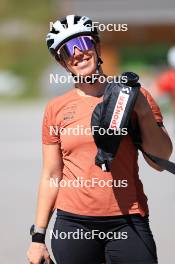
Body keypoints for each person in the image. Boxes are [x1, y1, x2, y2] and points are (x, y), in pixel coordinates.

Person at [27, 15, 173, 264]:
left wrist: (142, 110)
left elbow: (160, 161)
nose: (79, 53)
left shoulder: (135, 95)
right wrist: (38, 238)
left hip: (127, 221)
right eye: (68, 51)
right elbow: (52, 175)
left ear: (97, 46)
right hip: (73, 225)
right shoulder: (56, 109)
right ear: (63, 63)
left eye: (83, 43)